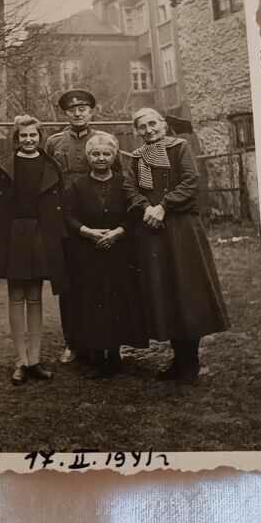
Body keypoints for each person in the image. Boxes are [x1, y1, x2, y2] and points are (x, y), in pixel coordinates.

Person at [123, 107, 229, 383]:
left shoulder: (179, 147)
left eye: (153, 124)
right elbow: (130, 188)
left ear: (162, 124)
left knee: (186, 290)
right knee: (165, 292)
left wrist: (164, 206)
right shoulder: (136, 158)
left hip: (181, 229)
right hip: (153, 232)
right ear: (137, 131)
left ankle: (190, 361)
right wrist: (146, 208)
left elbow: (191, 181)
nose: (149, 130)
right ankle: (178, 358)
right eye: (142, 127)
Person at [0, 114, 67, 386]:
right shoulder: (4, 165)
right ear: (17, 138)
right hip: (12, 235)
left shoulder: (51, 166)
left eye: (33, 135)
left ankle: (35, 359)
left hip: (41, 235)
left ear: (40, 138)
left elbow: (61, 201)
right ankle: (20, 360)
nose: (28, 140)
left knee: (35, 296)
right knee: (15, 296)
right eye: (23, 136)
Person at [65, 132, 145, 374]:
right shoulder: (77, 185)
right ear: (88, 157)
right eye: (96, 154)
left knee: (117, 299)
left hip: (118, 252)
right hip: (88, 253)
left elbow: (133, 214)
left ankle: (114, 351)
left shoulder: (124, 183)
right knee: (93, 301)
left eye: (106, 154)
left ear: (114, 156)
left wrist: (117, 233)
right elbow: (68, 216)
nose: (101, 158)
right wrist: (88, 233)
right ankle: (96, 352)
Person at [45, 87, 97, 363]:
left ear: (91, 111)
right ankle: (73, 342)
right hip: (65, 221)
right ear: (65, 113)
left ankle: (104, 340)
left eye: (83, 108)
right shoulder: (54, 143)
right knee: (69, 284)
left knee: (100, 282)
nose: (78, 113)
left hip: (97, 219)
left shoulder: (104, 141)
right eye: (72, 109)